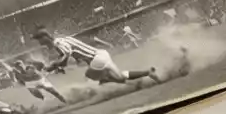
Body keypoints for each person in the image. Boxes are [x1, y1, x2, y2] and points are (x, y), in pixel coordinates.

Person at [32, 27, 160, 85]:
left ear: (45, 37)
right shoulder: (63, 39)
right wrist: (55, 65)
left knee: (90, 76)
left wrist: (53, 66)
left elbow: (66, 55)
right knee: (120, 77)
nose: (40, 43)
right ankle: (148, 72)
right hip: (102, 54)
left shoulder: (57, 43)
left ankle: (107, 80)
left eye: (39, 40)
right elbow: (67, 55)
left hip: (96, 59)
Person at [0, 56, 67, 104]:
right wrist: (2, 63)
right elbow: (9, 69)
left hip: (39, 80)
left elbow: (40, 69)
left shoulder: (30, 67)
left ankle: (64, 101)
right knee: (36, 93)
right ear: (17, 67)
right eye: (18, 66)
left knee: (54, 92)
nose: (20, 67)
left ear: (23, 64)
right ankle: (46, 101)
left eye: (21, 65)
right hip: (31, 84)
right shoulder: (17, 73)